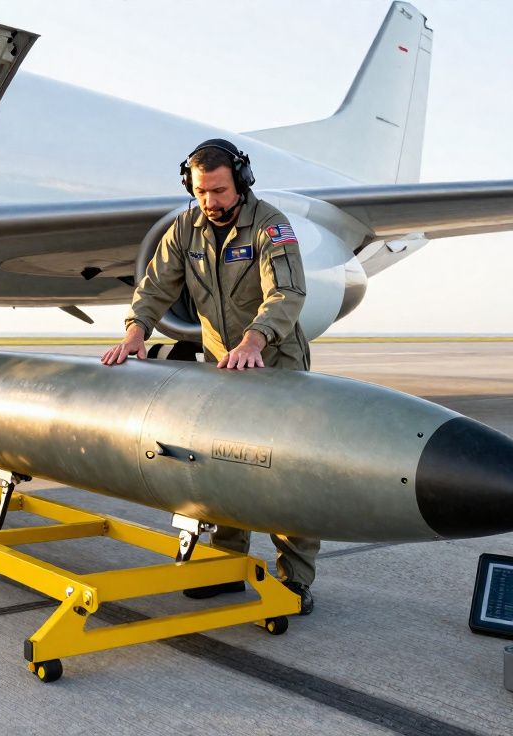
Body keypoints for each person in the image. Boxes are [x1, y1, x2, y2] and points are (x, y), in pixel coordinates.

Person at [100, 139, 319, 614]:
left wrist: (254, 341)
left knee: (287, 474)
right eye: (201, 192)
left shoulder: (271, 227)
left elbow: (286, 293)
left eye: (219, 191)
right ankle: (225, 567)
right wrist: (136, 331)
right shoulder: (187, 228)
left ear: (240, 181)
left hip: (274, 363)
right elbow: (156, 285)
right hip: (223, 368)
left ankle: (295, 579)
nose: (210, 202)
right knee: (221, 464)